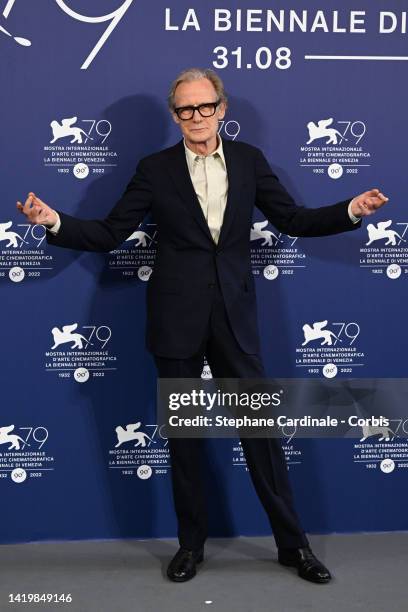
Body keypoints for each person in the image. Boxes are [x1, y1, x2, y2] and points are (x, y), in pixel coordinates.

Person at [17, 68, 388, 584]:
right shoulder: (154, 169)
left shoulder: (249, 160)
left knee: (261, 434)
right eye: (186, 109)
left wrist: (351, 209)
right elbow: (108, 232)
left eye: (205, 106)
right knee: (184, 440)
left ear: (221, 108)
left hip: (236, 317)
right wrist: (53, 221)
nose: (197, 116)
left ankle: (293, 546)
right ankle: (190, 546)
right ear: (175, 115)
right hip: (176, 320)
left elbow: (294, 220)